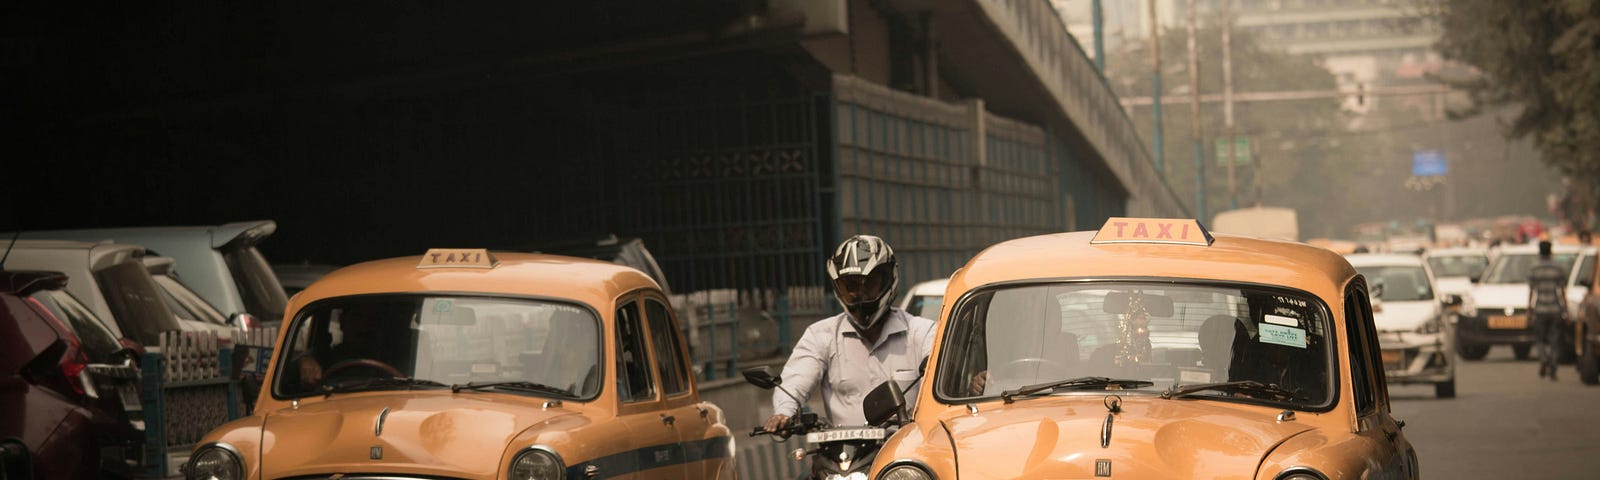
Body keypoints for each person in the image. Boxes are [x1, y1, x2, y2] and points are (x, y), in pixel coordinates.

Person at [764, 235, 936, 433]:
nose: (860, 294)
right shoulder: (820, 335)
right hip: (842, 455)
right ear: (838, 288)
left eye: (870, 284)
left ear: (888, 280)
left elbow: (944, 373)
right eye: (851, 286)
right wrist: (785, 413)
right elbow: (796, 379)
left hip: (903, 453)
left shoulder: (921, 332)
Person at [298, 304, 389, 386]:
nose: (364, 326)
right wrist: (306, 361)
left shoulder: (393, 358)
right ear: (342, 321)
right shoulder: (326, 358)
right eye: (356, 317)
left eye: (373, 319)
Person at [1528, 240, 1567, 380]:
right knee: (1555, 340)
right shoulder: (1557, 268)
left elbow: (1532, 291)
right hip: (1555, 308)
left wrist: (1529, 309)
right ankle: (1553, 366)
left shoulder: (1534, 268)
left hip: (1540, 309)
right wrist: (1565, 309)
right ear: (1551, 251)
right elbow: (1562, 290)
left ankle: (1543, 359)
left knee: (1540, 339)